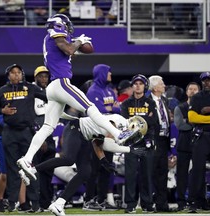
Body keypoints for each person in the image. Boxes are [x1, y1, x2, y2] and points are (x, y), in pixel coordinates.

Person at [17, 13, 139, 180]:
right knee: (91, 108)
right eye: (66, 25)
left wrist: (78, 44)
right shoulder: (55, 35)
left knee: (47, 126)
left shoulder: (53, 40)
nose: (68, 28)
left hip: (54, 87)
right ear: (60, 25)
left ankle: (27, 159)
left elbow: (75, 50)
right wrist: (79, 41)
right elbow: (68, 48)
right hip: (61, 83)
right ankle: (118, 135)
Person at [20, 113, 147, 216]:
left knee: (85, 172)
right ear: (133, 125)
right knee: (68, 159)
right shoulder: (119, 121)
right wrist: (129, 150)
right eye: (137, 134)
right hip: (76, 128)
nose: (134, 137)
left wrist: (103, 160)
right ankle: (31, 169)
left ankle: (59, 203)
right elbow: (108, 141)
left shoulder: (121, 128)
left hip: (86, 137)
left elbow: (98, 142)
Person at [0, 64, 47, 212]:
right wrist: (2, 110)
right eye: (13, 73)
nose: (16, 75)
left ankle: (35, 202)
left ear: (22, 74)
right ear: (8, 75)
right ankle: (12, 201)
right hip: (9, 132)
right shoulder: (2, 90)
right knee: (12, 168)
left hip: (27, 132)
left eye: (18, 73)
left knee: (30, 167)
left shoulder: (30, 88)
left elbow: (47, 97)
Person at [83, 64, 119, 211]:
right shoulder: (93, 91)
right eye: (108, 72)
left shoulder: (109, 91)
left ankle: (101, 200)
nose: (110, 74)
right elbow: (96, 113)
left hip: (109, 134)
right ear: (101, 73)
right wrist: (110, 109)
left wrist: (110, 109)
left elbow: (117, 109)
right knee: (94, 169)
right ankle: (89, 200)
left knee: (107, 168)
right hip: (96, 135)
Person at [120, 74, 158, 213]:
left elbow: (155, 122)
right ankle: (130, 205)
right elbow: (124, 123)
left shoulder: (151, 103)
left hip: (147, 144)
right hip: (130, 144)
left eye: (140, 83)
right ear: (132, 86)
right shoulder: (125, 104)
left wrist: (135, 121)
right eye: (135, 83)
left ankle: (147, 204)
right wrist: (144, 119)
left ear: (145, 86)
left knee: (147, 175)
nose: (137, 85)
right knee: (130, 175)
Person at [31, 65, 56, 211]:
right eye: (40, 76)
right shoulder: (32, 93)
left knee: (48, 171)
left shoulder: (52, 92)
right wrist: (40, 137)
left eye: (46, 76)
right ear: (35, 78)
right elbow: (34, 117)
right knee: (37, 171)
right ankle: (36, 202)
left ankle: (46, 202)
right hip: (39, 136)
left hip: (51, 135)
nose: (43, 78)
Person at [174, 82, 200, 211]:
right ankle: (181, 202)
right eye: (190, 89)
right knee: (182, 174)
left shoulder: (203, 106)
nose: (193, 91)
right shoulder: (180, 107)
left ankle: (196, 200)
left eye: (195, 89)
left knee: (198, 174)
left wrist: (189, 121)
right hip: (184, 144)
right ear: (186, 91)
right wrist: (197, 122)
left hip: (199, 145)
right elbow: (180, 125)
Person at [148, 75, 172, 212]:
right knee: (151, 173)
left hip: (163, 140)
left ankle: (162, 204)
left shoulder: (164, 100)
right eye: (162, 84)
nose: (164, 86)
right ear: (155, 87)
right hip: (153, 140)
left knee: (163, 173)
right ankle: (149, 203)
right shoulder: (147, 101)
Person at [187, 72, 210, 213]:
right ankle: (194, 201)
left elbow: (198, 116)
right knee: (197, 170)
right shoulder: (196, 97)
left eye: (209, 80)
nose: (207, 83)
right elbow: (192, 118)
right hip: (201, 136)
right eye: (204, 80)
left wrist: (207, 111)